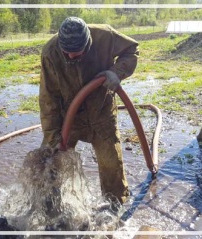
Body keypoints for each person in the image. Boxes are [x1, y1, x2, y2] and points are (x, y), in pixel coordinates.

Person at [38, 16, 139, 204]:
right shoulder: (50, 52)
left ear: (88, 43)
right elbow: (48, 99)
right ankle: (51, 206)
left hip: (101, 112)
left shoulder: (105, 36)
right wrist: (54, 138)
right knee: (53, 161)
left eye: (75, 53)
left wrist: (116, 73)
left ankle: (115, 205)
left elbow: (131, 50)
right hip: (68, 118)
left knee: (111, 163)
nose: (70, 57)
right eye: (66, 52)